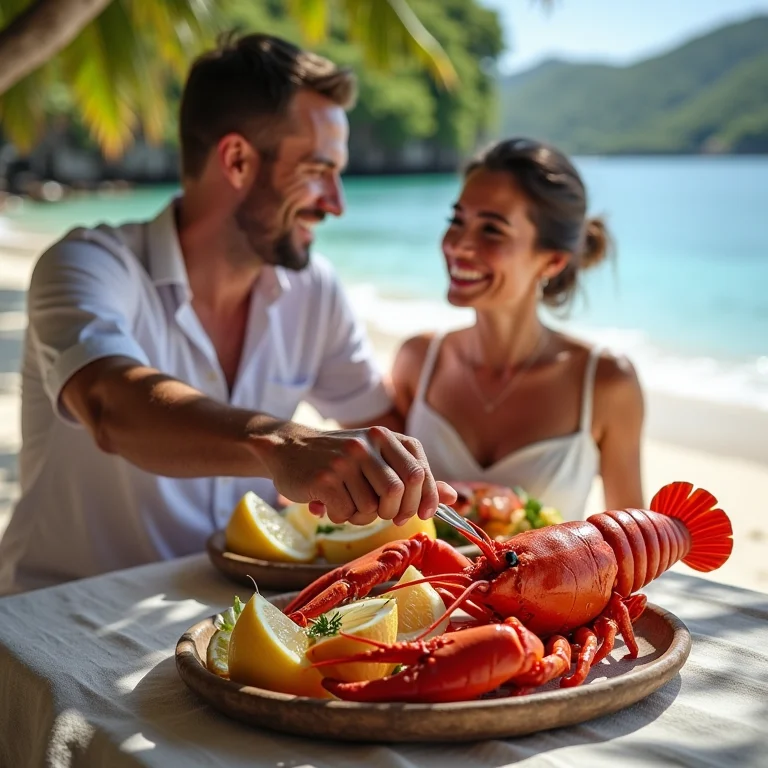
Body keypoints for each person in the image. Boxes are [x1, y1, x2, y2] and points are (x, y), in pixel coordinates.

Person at [0, 33, 455, 595]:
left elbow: (381, 420)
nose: (336, 203)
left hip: (229, 614)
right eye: (317, 170)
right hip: (59, 614)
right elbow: (110, 403)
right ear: (237, 160)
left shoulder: (314, 290)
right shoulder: (87, 264)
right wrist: (282, 445)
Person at [391, 138, 644, 521]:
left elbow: (634, 541)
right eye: (456, 221)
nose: (459, 245)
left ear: (552, 261)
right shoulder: (418, 361)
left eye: (492, 230)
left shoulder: (607, 383)